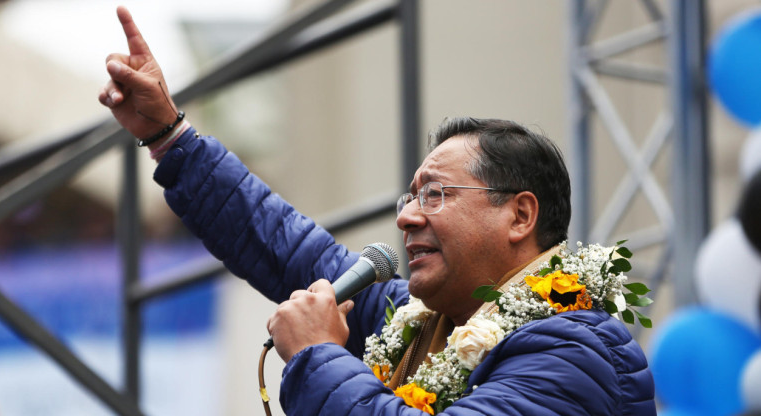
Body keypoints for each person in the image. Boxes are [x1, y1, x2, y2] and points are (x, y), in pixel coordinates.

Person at [99, 6, 655, 415]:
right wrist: (169, 135)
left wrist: (317, 355)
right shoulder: (418, 320)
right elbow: (285, 245)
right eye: (409, 197)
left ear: (519, 215)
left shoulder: (576, 350)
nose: (408, 217)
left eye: (435, 194)